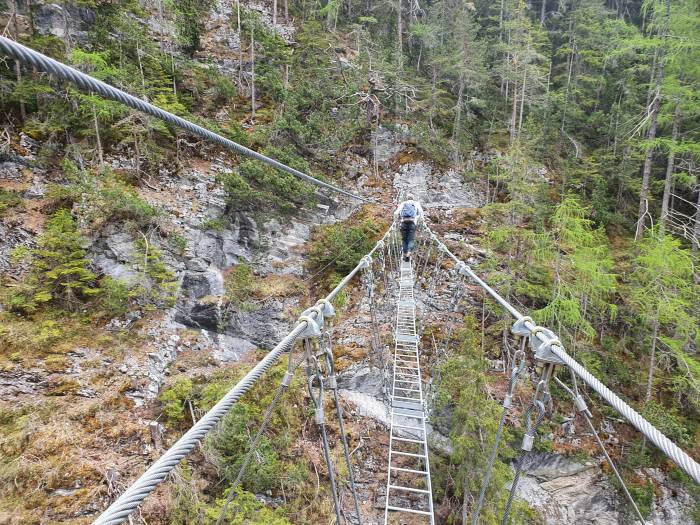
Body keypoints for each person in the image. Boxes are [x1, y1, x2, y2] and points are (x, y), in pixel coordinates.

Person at [394, 193, 424, 262]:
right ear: (413, 198)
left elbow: (396, 213)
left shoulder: (403, 203)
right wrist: (421, 220)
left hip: (403, 223)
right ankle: (408, 254)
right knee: (410, 239)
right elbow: (421, 212)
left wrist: (395, 220)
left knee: (404, 239)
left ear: (407, 198)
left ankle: (404, 255)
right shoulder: (416, 203)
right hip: (412, 223)